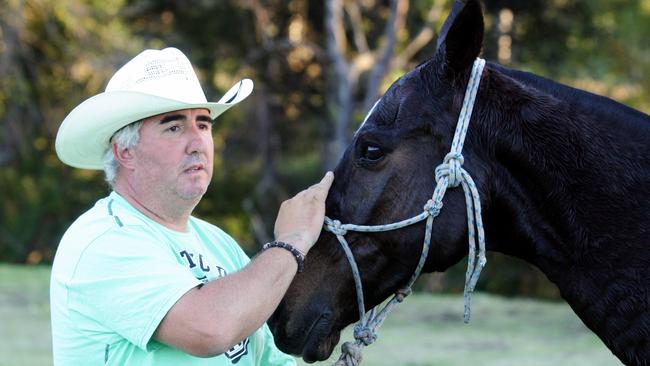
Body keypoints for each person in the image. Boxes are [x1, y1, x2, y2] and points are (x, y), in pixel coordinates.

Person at [50, 47, 333, 366]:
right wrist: (293, 240)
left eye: (203, 125)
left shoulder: (219, 244)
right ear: (124, 152)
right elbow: (209, 330)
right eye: (174, 127)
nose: (198, 143)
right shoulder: (101, 241)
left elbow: (271, 359)